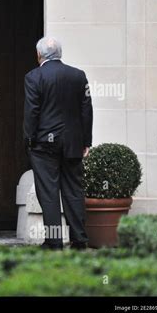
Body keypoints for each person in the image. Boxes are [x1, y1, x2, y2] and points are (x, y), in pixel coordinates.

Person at [24, 37, 93, 250]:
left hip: (44, 143)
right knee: (73, 190)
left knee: (49, 192)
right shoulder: (78, 76)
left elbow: (32, 111)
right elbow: (87, 110)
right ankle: (79, 240)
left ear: (39, 55)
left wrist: (29, 138)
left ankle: (54, 242)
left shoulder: (34, 77)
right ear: (60, 54)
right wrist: (86, 141)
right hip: (72, 143)